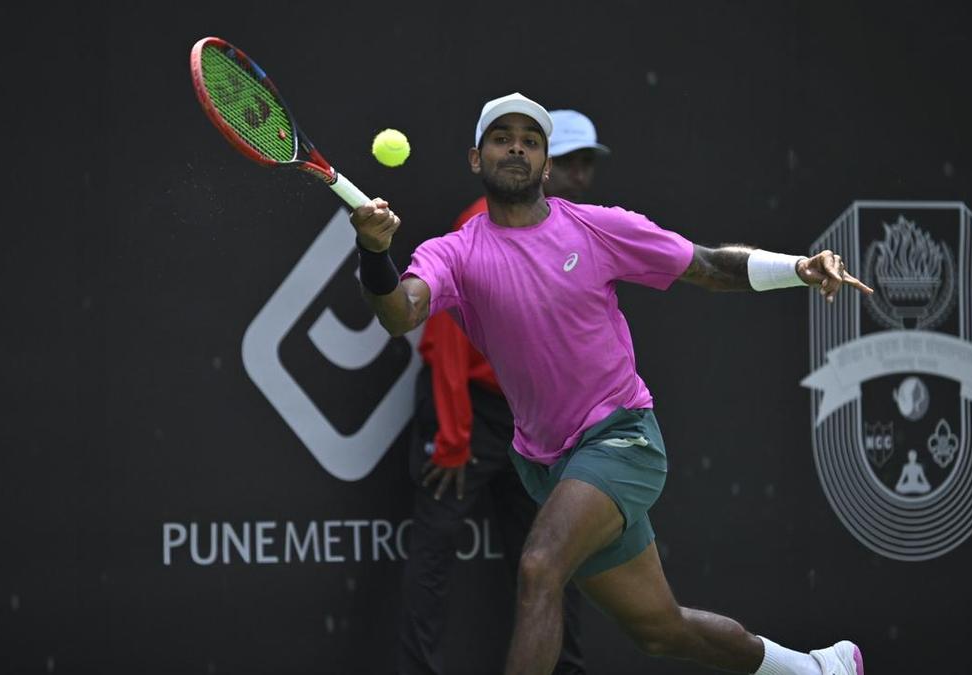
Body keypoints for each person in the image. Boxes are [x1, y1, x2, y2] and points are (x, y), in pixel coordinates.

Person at [355, 92, 873, 675]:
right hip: (545, 461)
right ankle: (817, 669)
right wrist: (374, 252)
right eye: (502, 139)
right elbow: (400, 312)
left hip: (621, 439)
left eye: (530, 140)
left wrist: (798, 269)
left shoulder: (597, 229)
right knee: (660, 628)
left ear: (545, 165)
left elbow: (708, 265)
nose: (517, 148)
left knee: (540, 565)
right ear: (477, 158)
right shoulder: (455, 251)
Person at [397, 109, 611, 675]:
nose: (580, 175)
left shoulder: (578, 231)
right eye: (571, 161)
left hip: (532, 425)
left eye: (587, 163)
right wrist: (453, 436)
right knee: (434, 553)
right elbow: (445, 341)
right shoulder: (477, 227)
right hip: (465, 417)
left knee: (552, 558)